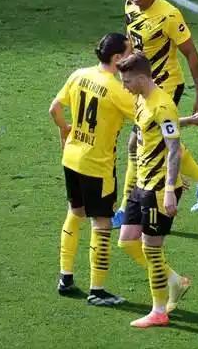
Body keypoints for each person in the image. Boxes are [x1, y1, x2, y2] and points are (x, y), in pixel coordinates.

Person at [115, 52, 198, 328]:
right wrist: (191, 120)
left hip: (159, 188)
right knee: (127, 240)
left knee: (151, 249)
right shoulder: (142, 98)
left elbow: (174, 149)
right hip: (142, 182)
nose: (124, 86)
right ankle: (175, 281)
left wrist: (171, 189)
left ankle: (159, 311)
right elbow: (156, 126)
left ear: (141, 78)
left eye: (126, 81)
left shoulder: (162, 104)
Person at [114, 0, 198, 228]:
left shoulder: (169, 15)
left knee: (139, 142)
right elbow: (131, 40)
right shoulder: (130, 5)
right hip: (142, 85)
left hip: (166, 86)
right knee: (153, 140)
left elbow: (191, 53)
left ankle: (125, 207)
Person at [50, 33, 134, 305]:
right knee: (102, 223)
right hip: (97, 166)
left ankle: (65, 277)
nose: (133, 56)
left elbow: (54, 108)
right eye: (130, 52)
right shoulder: (117, 90)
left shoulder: (79, 74)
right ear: (117, 58)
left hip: (71, 158)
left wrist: (65, 130)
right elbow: (148, 117)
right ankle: (97, 290)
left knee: (75, 213)